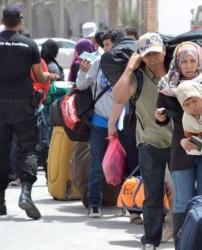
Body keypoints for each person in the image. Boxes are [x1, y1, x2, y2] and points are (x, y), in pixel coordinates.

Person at [0, 5, 58, 219]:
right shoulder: (30, 44)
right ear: (20, 21)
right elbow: (38, 77)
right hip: (24, 104)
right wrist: (48, 76)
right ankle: (25, 193)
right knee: (28, 149)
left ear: (3, 21)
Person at [113, 33, 172, 250]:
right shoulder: (138, 78)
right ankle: (151, 240)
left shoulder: (177, 74)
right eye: (147, 55)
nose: (153, 58)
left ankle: (183, 237)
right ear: (141, 57)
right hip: (149, 144)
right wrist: (130, 68)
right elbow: (118, 98)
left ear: (164, 51)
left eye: (156, 52)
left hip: (178, 145)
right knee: (153, 196)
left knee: (182, 196)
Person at [155, 41, 202, 247]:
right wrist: (160, 117)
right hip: (181, 149)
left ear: (199, 62)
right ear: (177, 63)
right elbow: (160, 113)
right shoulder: (166, 86)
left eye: (192, 61)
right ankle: (181, 243)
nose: (188, 65)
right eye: (184, 61)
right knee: (182, 200)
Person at [76, 28, 124, 218]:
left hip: (122, 124)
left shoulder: (127, 65)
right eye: (104, 45)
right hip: (99, 122)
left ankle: (125, 202)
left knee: (124, 164)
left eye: (110, 44)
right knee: (97, 165)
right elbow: (81, 85)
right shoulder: (96, 63)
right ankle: (94, 204)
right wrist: (81, 72)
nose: (107, 48)